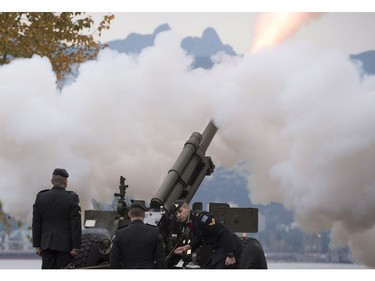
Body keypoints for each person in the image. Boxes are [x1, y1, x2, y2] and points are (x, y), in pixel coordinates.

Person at [32, 168, 82, 269]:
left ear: (52, 181)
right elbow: (75, 224)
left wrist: (37, 245)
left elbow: (36, 223)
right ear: (66, 182)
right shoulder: (71, 198)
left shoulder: (41, 197)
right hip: (65, 246)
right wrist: (76, 247)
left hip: (46, 244)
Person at [172, 199, 244, 269]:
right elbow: (200, 236)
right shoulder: (191, 221)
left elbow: (224, 232)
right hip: (218, 250)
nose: (178, 215)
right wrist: (187, 247)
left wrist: (230, 255)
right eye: (176, 214)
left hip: (229, 247)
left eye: (180, 211)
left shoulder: (201, 217)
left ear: (187, 208)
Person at [109, 202, 166, 269]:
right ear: (144, 215)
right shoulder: (154, 232)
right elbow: (161, 259)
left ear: (129, 215)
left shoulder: (119, 233)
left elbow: (114, 261)